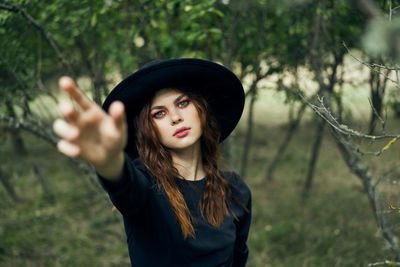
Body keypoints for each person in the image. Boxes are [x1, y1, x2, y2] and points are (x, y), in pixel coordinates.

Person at [53, 58, 252, 266]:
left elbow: (238, 259)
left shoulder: (236, 190)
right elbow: (124, 184)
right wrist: (109, 160)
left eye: (182, 103)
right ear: (148, 129)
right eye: (159, 113)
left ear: (201, 108)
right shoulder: (146, 185)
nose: (175, 117)